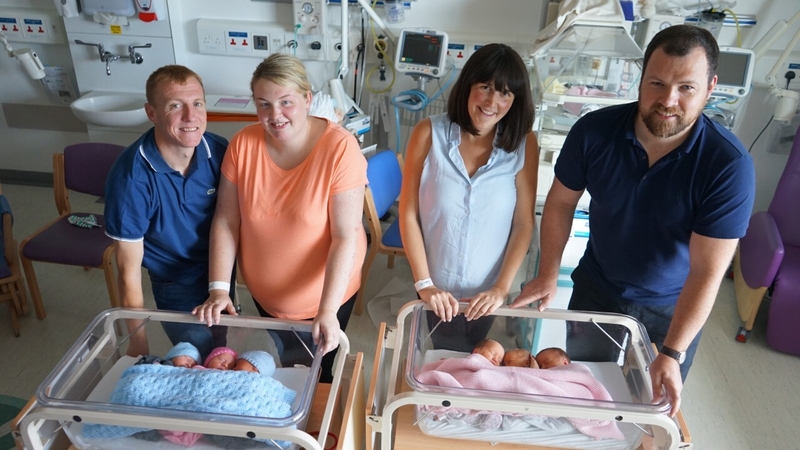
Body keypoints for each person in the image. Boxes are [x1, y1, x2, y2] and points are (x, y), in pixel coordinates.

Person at [512, 25, 755, 417]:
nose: (668, 100)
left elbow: (708, 271)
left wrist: (673, 352)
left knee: (650, 409)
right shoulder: (595, 132)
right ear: (640, 79)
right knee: (589, 393)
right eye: (657, 83)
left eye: (686, 88)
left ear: (710, 87)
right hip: (597, 288)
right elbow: (559, 203)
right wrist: (546, 272)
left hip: (670, 309)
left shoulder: (727, 166)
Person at [192, 53, 367, 383]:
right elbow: (226, 219)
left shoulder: (339, 149)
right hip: (266, 295)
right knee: (290, 360)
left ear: (307, 99)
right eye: (264, 104)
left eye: (286, 102)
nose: (275, 115)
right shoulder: (244, 144)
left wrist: (328, 311)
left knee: (320, 371)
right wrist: (218, 289)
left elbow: (346, 235)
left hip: (325, 295)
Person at [399, 43, 538, 353]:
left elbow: (524, 222)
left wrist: (501, 288)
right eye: (485, 87)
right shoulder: (427, 134)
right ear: (468, 87)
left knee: (476, 360)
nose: (492, 102)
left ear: (516, 100)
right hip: (436, 285)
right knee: (436, 356)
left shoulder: (524, 144)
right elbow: (408, 212)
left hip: (487, 291)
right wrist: (425, 284)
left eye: (505, 93)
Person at [104, 65, 232, 361]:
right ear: (152, 113)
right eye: (176, 106)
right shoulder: (131, 179)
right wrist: (137, 340)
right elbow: (128, 273)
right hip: (174, 279)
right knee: (198, 352)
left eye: (197, 103)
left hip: (219, 268)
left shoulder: (218, 151)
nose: (191, 117)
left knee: (221, 347)